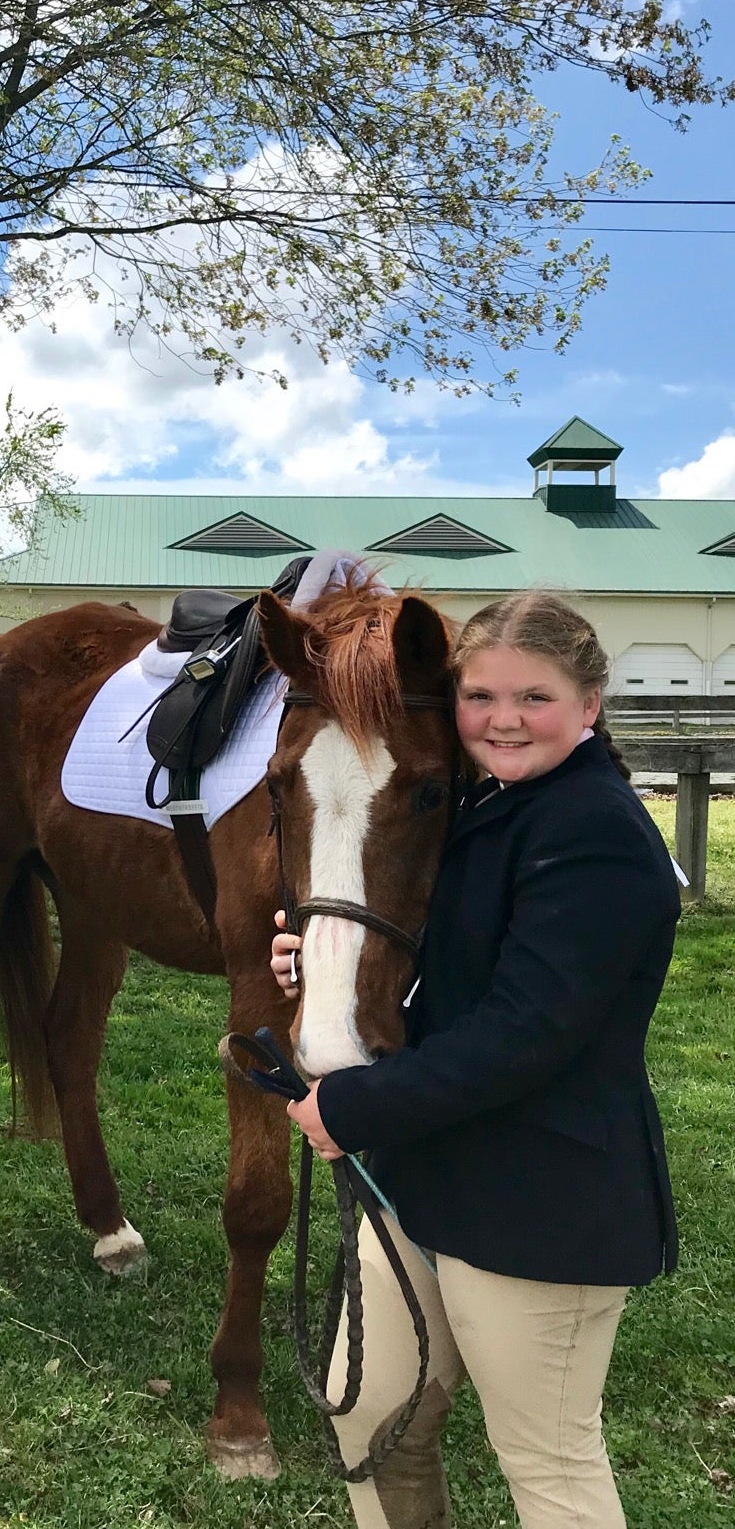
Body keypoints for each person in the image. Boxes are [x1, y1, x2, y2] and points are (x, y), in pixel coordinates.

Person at [271, 591, 679, 1529]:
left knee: (547, 1461)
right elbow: (432, 952)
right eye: (481, 696)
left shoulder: (596, 834)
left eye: (534, 697)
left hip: (542, 1196)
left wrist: (352, 1110)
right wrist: (323, 954)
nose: (502, 719)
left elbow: (523, 1033)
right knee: (371, 1418)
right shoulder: (479, 805)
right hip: (428, 1172)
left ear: (591, 704)